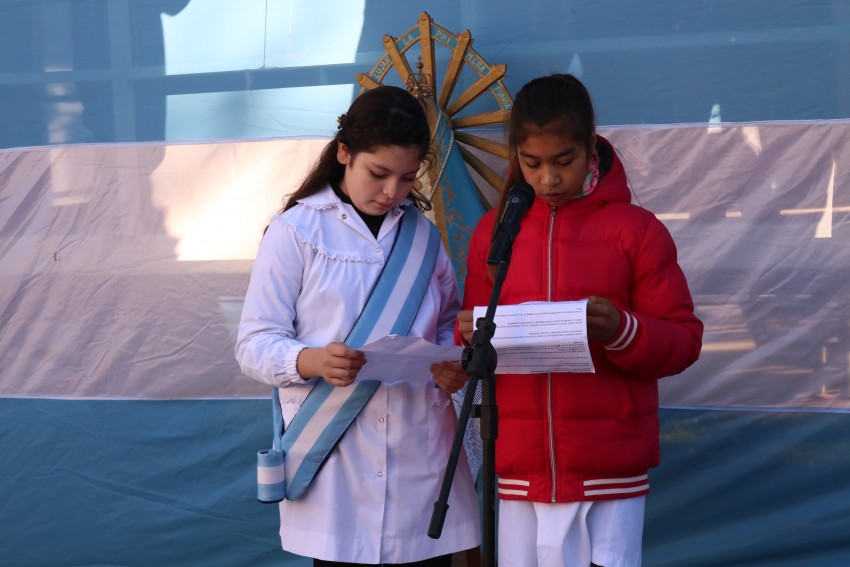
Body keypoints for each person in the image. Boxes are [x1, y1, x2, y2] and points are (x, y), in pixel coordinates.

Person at [456, 74, 703, 567]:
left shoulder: (637, 231)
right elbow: (475, 342)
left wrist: (622, 331)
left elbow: (683, 341)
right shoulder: (494, 233)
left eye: (563, 161)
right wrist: (468, 340)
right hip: (520, 468)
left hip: (608, 468)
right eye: (532, 163)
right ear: (516, 156)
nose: (548, 179)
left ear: (591, 146)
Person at [236, 85, 481, 566]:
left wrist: (453, 366)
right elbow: (253, 343)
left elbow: (448, 327)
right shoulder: (295, 231)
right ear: (344, 152)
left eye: (408, 178)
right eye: (378, 173)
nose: (392, 192)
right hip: (332, 455)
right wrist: (312, 361)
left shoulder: (424, 237)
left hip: (420, 458)